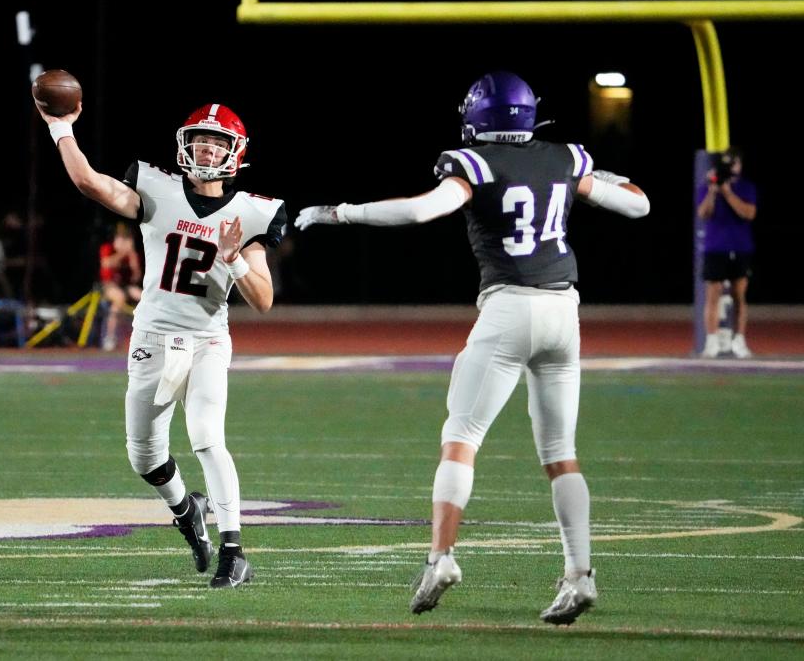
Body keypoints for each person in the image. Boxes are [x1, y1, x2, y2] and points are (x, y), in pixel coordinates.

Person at [296, 71, 649, 623]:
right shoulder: (564, 158)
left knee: (461, 438)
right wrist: (596, 177)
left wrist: (340, 212)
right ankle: (579, 574)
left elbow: (419, 211)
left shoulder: (473, 163)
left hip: (508, 309)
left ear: (477, 117)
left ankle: (441, 558)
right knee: (561, 454)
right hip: (564, 311)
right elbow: (639, 206)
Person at [38, 100, 286, 588]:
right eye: (201, 140)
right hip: (152, 336)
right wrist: (61, 128)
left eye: (218, 143)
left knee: (206, 435)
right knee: (143, 456)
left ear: (236, 153)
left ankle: (234, 550)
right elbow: (90, 181)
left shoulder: (254, 212)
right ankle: (186, 510)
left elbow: (263, 299)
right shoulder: (156, 189)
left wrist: (235, 261)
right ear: (184, 145)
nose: (208, 150)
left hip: (206, 339)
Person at [696, 148, 757, 358]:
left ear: (739, 166)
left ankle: (739, 341)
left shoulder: (745, 187)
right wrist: (714, 192)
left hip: (740, 247)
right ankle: (711, 342)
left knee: (739, 296)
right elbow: (703, 213)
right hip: (715, 247)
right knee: (712, 295)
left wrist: (728, 193)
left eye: (734, 164)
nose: (732, 169)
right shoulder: (708, 187)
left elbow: (748, 213)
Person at [99, 222, 144, 351]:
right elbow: (106, 264)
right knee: (119, 298)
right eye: (120, 238)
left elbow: (136, 277)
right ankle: (110, 336)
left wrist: (132, 257)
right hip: (108, 285)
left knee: (144, 297)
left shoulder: (130, 254)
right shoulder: (107, 248)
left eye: (125, 239)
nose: (123, 242)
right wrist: (122, 253)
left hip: (125, 286)